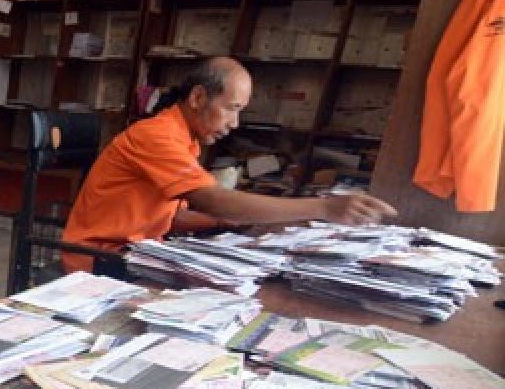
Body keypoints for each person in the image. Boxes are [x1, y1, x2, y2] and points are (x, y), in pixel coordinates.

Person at [60, 56, 397, 274]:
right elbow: (210, 197)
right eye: (232, 108)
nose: (235, 123)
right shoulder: (156, 135)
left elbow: (173, 216)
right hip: (99, 257)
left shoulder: (184, 138)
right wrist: (324, 208)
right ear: (197, 98)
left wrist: (230, 222)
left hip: (136, 249)